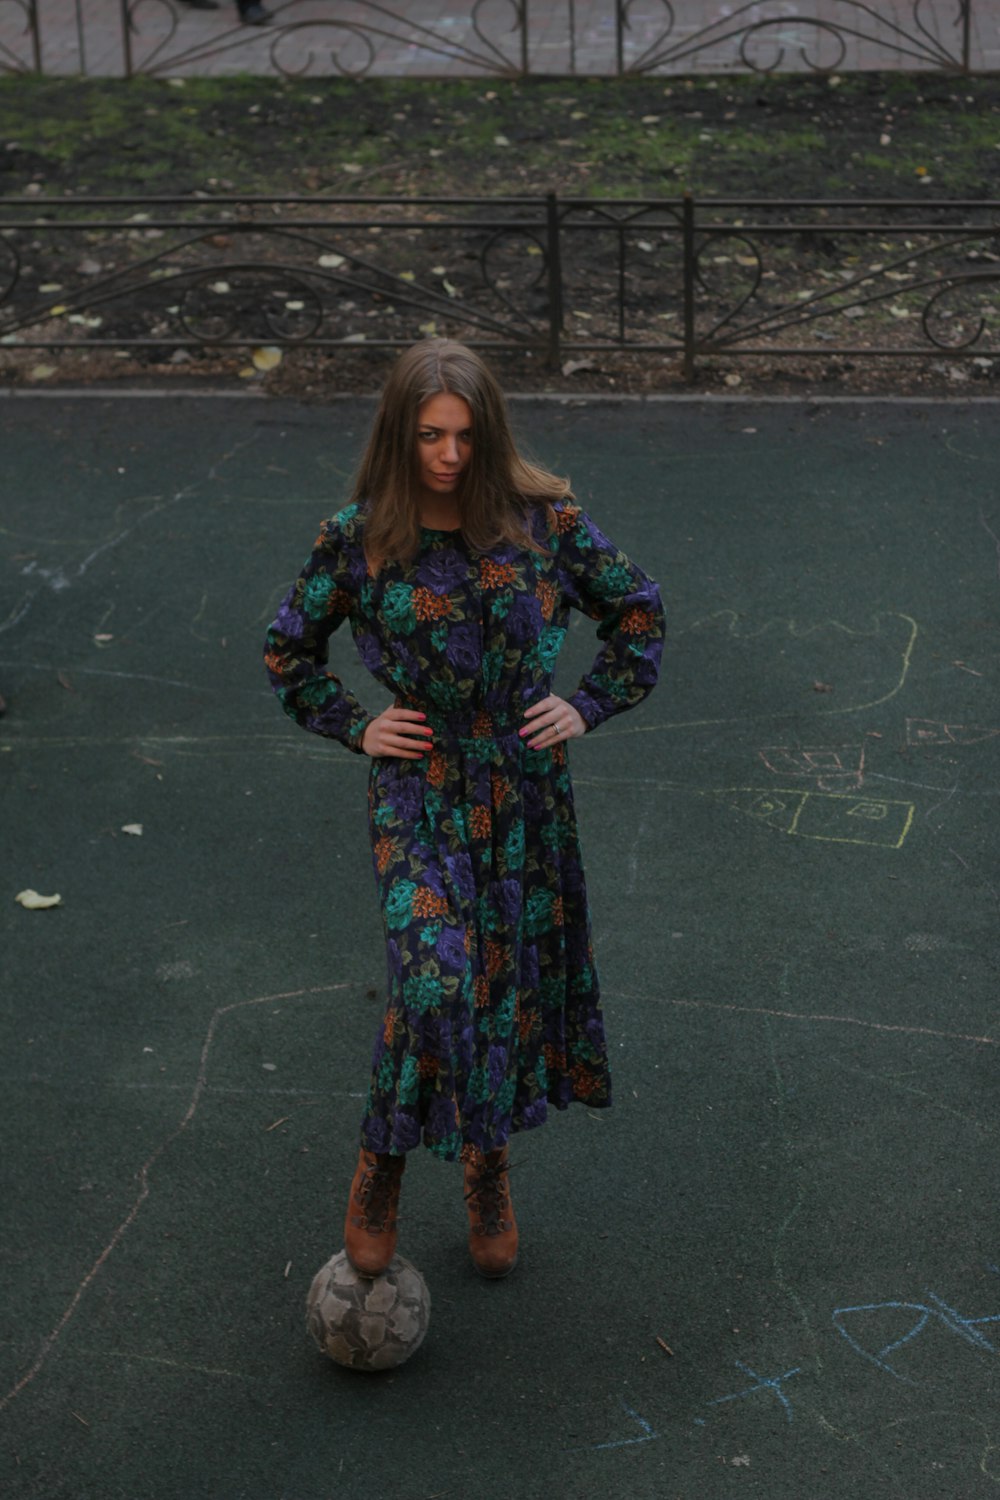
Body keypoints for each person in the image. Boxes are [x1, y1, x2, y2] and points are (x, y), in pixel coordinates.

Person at [264, 340, 663, 1279]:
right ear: (398, 435)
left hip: (524, 790)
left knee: (499, 986)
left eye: (467, 436)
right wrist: (355, 725)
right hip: (419, 786)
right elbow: (289, 650)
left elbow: (637, 609)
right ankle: (384, 1161)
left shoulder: (544, 521)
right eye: (430, 435)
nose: (448, 454)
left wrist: (590, 701)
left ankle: (486, 1162)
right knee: (437, 979)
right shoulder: (358, 536)